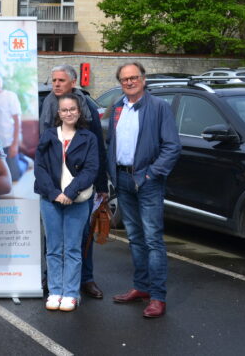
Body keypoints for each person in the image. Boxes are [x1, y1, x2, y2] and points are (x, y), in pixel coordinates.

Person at [107, 63, 180, 318]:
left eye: (134, 77)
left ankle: (158, 297)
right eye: (125, 79)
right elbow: (112, 143)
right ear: (120, 82)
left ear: (143, 79)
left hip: (147, 182)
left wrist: (151, 174)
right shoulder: (117, 107)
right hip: (123, 180)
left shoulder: (159, 107)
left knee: (152, 239)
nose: (129, 82)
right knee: (135, 238)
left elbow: (172, 147)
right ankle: (141, 287)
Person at [39, 64, 108, 300]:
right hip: (53, 188)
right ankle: (53, 280)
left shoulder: (85, 106)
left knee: (80, 236)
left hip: (80, 187)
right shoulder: (47, 105)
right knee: (53, 238)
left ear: (73, 82)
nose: (56, 84)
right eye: (53, 80)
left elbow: (97, 147)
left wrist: (100, 187)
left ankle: (85, 279)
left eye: (61, 80)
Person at [35, 93, 99, 312]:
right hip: (50, 200)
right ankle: (55, 291)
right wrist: (54, 193)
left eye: (72, 109)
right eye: (64, 110)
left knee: (72, 248)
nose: (69, 113)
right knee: (53, 248)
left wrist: (70, 192)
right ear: (58, 113)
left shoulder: (88, 137)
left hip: (78, 200)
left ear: (79, 112)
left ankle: (71, 293)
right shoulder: (49, 136)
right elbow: (40, 168)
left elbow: (91, 169)